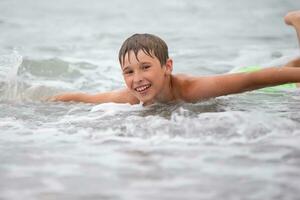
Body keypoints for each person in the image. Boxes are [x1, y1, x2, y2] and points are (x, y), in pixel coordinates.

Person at [50, 10, 300, 106]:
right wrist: (42, 99)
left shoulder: (191, 89)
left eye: (145, 67)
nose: (137, 79)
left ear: (167, 66)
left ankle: (297, 22)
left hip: (252, 76)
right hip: (261, 74)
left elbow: (253, 79)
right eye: (129, 72)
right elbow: (84, 98)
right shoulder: (130, 96)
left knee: (293, 83)